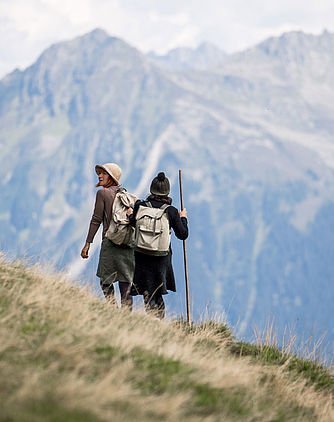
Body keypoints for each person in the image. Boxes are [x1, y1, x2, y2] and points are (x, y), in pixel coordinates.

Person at [129, 171, 188, 319]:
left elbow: (132, 223)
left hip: (141, 255)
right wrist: (183, 218)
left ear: (152, 189)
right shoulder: (171, 211)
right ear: (167, 191)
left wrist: (131, 214)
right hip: (161, 258)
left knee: (146, 291)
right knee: (157, 292)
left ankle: (150, 318)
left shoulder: (141, 206)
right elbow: (183, 235)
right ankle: (158, 321)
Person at [81, 163, 134, 309]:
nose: (100, 176)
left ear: (111, 177)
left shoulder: (103, 194)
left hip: (110, 242)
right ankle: (127, 317)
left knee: (105, 280)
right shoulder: (125, 194)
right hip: (128, 245)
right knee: (125, 281)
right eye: (100, 173)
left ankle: (112, 309)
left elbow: (96, 219)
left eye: (104, 173)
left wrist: (88, 243)